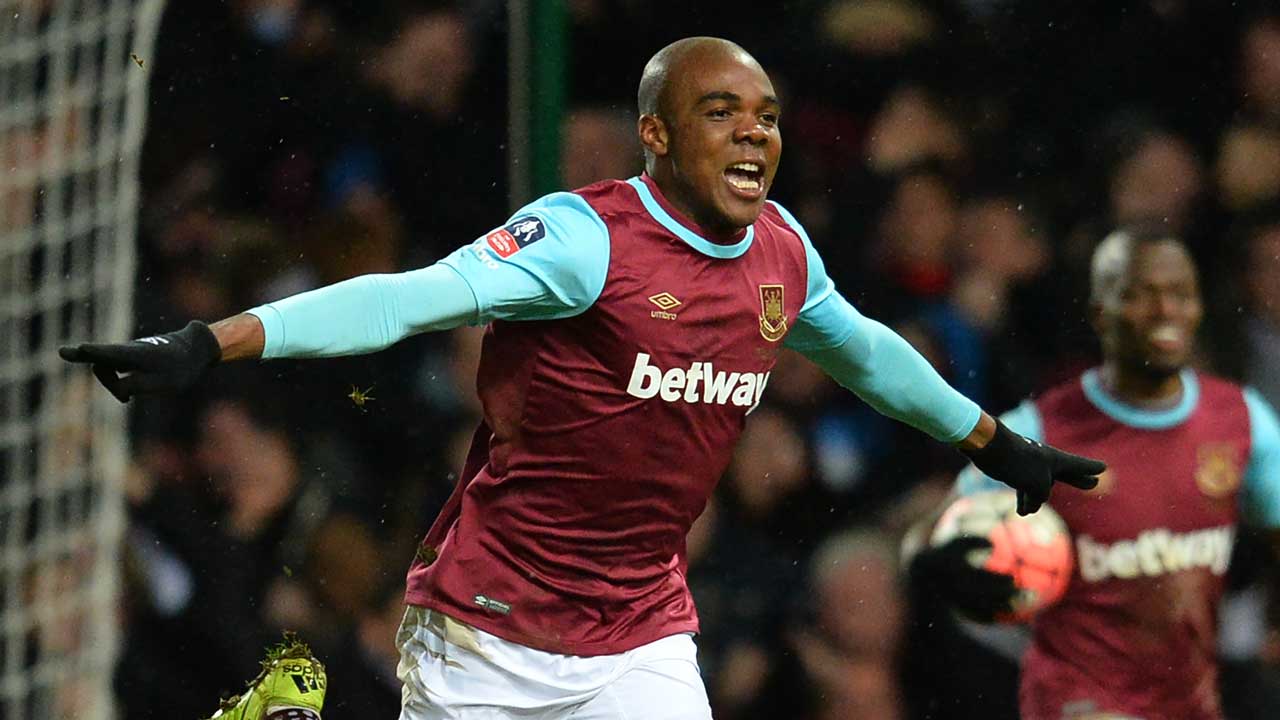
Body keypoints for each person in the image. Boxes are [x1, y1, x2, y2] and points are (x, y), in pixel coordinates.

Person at [60, 37, 1103, 720]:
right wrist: (208, 342)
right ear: (654, 136)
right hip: (484, 637)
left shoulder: (782, 253)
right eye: (721, 112)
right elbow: (400, 300)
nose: (754, 132)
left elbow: (866, 352)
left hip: (637, 634)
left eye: (768, 114)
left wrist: (993, 442)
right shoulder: (580, 240)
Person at [910, 227, 1280, 720]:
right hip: (1075, 704)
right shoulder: (1039, 430)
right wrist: (947, 561)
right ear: (1100, 313)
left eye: (1179, 294)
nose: (1165, 311)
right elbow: (931, 539)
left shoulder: (1240, 420)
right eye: (1141, 296)